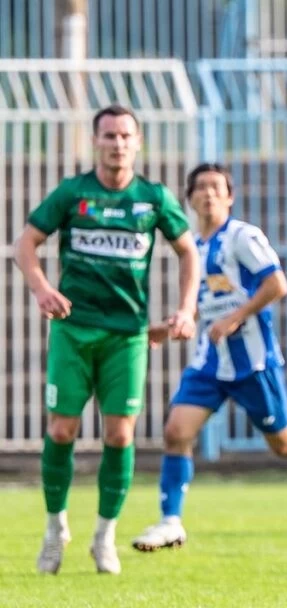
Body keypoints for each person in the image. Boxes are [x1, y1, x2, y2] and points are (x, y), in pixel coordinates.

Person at [131, 163, 287, 552]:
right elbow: (206, 302)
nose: (208, 193)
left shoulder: (243, 236)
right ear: (189, 199)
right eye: (200, 187)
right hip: (210, 362)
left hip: (253, 362)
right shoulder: (194, 247)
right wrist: (170, 325)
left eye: (216, 187)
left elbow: (277, 284)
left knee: (284, 444)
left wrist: (235, 317)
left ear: (230, 197)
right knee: (176, 432)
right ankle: (171, 521)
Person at [15, 104, 201, 575]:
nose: (117, 144)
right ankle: (55, 528)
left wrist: (185, 309)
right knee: (62, 430)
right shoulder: (73, 192)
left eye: (125, 136)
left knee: (120, 434)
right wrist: (42, 289)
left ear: (137, 143)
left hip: (127, 336)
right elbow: (25, 244)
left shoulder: (153, 198)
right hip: (73, 330)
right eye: (109, 136)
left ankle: (104, 537)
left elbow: (188, 252)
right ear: (95, 141)